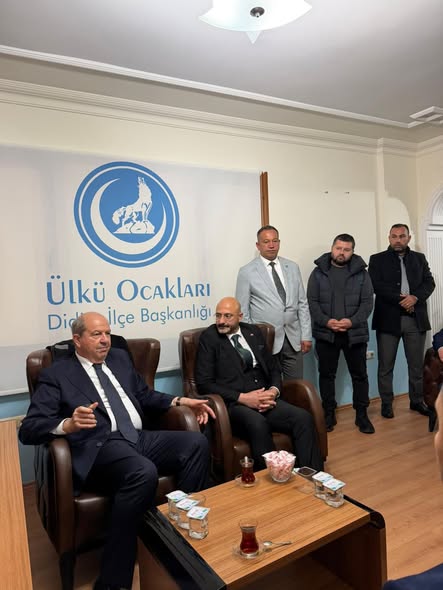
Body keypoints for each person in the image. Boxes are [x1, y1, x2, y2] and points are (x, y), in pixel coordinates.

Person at [19, 312, 215, 590]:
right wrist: (68, 424)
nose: (105, 340)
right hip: (100, 445)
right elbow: (29, 428)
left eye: (107, 333)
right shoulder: (57, 374)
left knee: (196, 444)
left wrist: (181, 400)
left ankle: (176, 539)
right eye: (96, 334)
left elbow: (144, 395)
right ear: (77, 340)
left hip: (138, 437)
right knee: (142, 472)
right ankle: (113, 581)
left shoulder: (120, 359)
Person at [195, 296, 324, 472]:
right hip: (234, 405)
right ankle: (272, 478)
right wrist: (243, 398)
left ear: (240, 316)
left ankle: (310, 475)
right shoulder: (209, 338)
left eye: (227, 316)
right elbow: (204, 384)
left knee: (303, 418)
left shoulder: (253, 332)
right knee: (257, 423)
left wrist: (274, 391)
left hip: (265, 399)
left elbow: (273, 368)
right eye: (218, 316)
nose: (221, 321)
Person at [307, 234, 374, 434]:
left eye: (346, 249)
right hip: (326, 333)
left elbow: (367, 303)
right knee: (327, 375)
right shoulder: (318, 273)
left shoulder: (362, 274)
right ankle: (328, 414)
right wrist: (326, 321)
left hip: (355, 333)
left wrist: (352, 321)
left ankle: (362, 415)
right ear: (332, 248)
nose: (341, 253)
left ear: (352, 251)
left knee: (360, 375)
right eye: (338, 248)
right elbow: (312, 302)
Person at [368, 224, 435, 419]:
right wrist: (403, 300)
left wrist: (414, 297)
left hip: (415, 319)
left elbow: (429, 282)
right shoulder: (377, 259)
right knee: (385, 366)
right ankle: (386, 404)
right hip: (388, 320)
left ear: (408, 238)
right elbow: (376, 285)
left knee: (416, 365)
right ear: (389, 238)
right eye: (394, 236)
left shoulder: (419, 258)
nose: (398, 240)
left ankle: (417, 401)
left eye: (402, 236)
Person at [236, 225, 311, 380]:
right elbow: (242, 311)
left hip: (293, 339)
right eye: (266, 242)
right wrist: (252, 340)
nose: (271, 245)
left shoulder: (292, 267)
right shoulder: (247, 272)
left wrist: (306, 335)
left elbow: (302, 303)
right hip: (266, 340)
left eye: (275, 241)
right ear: (258, 245)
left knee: (296, 386)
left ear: (279, 243)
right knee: (270, 385)